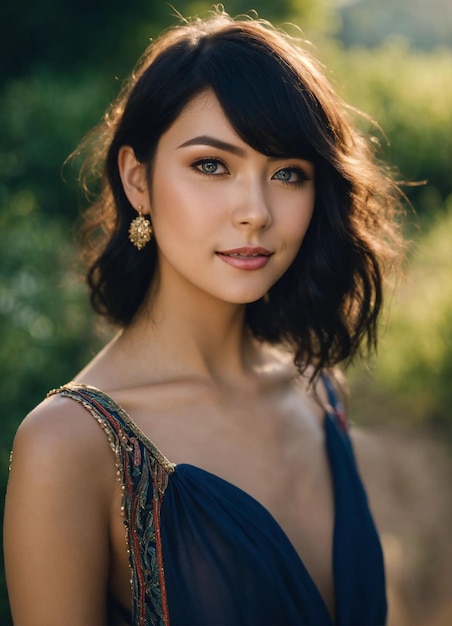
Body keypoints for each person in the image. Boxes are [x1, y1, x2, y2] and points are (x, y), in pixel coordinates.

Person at [4, 8, 404, 626]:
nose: (256, 212)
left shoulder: (318, 392)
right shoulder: (69, 446)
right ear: (138, 180)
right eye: (212, 165)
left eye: (288, 173)